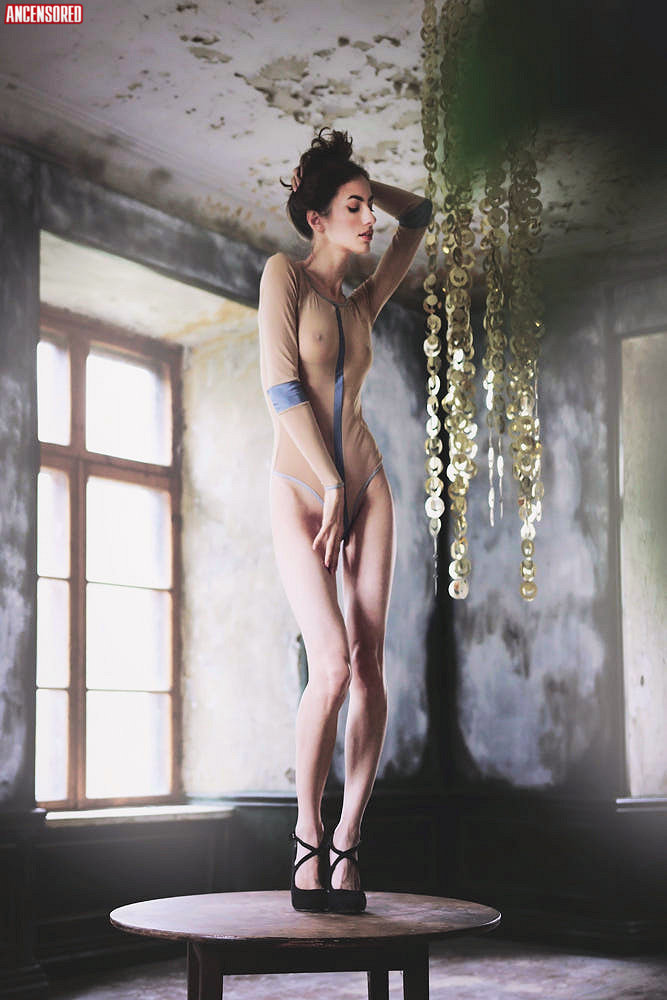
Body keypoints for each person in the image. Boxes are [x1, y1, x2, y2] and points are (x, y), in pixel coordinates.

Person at [258, 127, 431, 913]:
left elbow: (418, 215)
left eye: (366, 207)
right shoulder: (284, 276)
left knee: (368, 666)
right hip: (302, 488)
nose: (367, 220)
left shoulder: (362, 302)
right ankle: (307, 833)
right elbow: (281, 389)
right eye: (352, 208)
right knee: (328, 666)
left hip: (368, 486)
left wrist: (358, 180)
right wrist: (327, 482)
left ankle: (350, 841)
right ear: (315, 220)